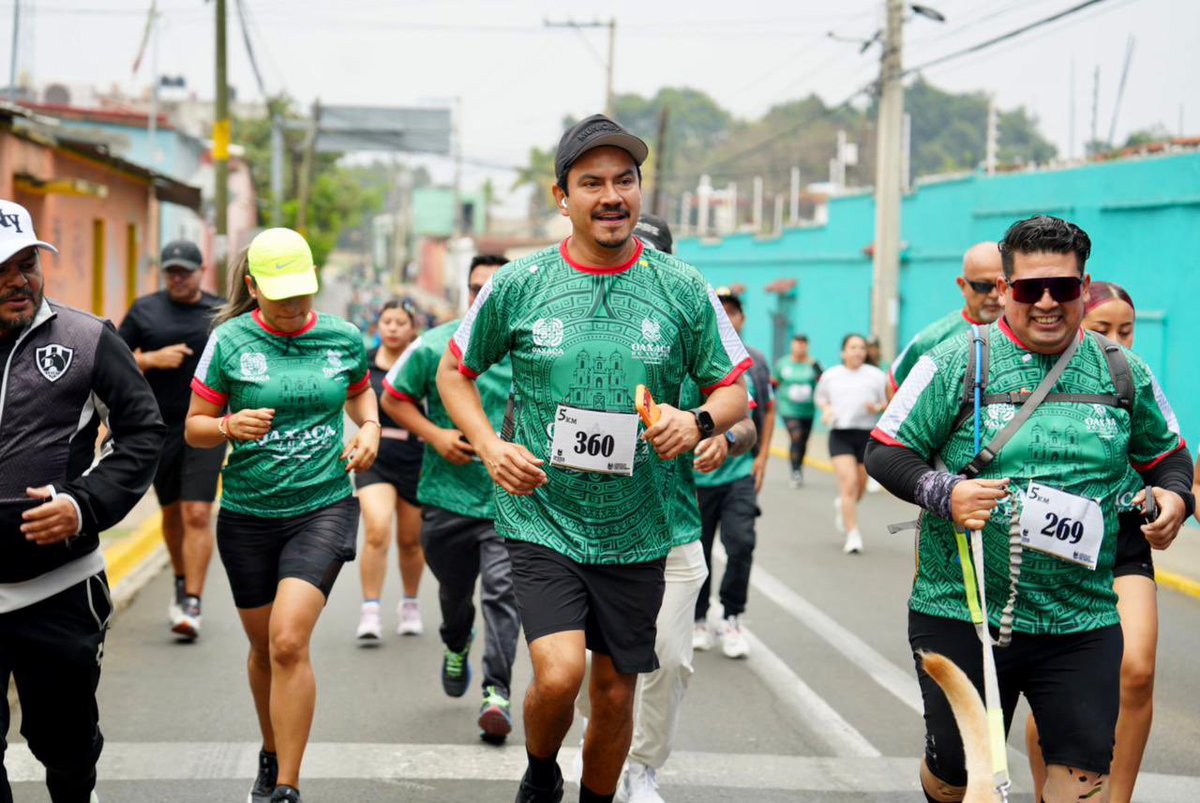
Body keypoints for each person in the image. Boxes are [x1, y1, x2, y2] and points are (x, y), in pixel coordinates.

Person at [436, 114, 750, 803]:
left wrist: (692, 418)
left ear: (639, 191)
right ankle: (542, 768)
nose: (612, 195)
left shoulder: (683, 287)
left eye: (624, 180)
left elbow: (735, 389)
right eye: (592, 183)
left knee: (615, 693)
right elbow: (454, 371)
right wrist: (491, 445)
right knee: (558, 674)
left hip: (640, 526)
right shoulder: (519, 283)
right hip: (542, 515)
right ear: (562, 196)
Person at [865, 216, 1193, 803]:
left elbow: (1170, 456)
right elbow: (886, 450)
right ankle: (946, 769)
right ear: (1004, 290)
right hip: (962, 609)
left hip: (1081, 622)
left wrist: (1175, 497)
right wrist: (945, 493)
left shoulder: (1124, 370)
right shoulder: (956, 361)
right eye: (1028, 288)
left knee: (1080, 789)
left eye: (1063, 289)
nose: (1046, 302)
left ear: (1084, 288)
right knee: (955, 782)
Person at [185, 229, 380, 803]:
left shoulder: (343, 337)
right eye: (281, 297)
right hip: (247, 514)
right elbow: (194, 427)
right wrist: (226, 427)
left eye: (303, 294)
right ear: (252, 287)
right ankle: (270, 753)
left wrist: (367, 427)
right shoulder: (228, 342)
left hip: (323, 505)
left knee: (289, 640)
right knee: (264, 648)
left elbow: (361, 393)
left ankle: (288, 787)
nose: (296, 308)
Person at [583, 215, 756, 803]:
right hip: (582, 525)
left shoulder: (690, 312)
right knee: (593, 664)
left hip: (670, 521)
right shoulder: (577, 315)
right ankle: (599, 748)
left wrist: (718, 436)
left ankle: (641, 766)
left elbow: (745, 414)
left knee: (668, 658)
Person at [0, 199, 165, 803]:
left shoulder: (86, 338)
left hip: (58, 586)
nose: (19, 281)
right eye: (2, 269)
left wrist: (82, 504)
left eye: (27, 264)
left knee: (65, 746)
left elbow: (143, 432)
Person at [380, 254, 521, 743]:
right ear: (468, 290)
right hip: (446, 497)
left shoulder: (530, 348)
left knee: (503, 593)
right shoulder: (437, 343)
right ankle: (456, 640)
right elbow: (393, 396)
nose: (486, 294)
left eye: (495, 287)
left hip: (511, 502)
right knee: (455, 595)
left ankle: (496, 693)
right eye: (478, 286)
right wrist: (436, 437)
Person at [1023, 281, 1155, 803]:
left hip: (1121, 534)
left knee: (1137, 669)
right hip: (1056, 540)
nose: (1118, 339)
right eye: (1104, 329)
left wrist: (1170, 498)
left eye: (1127, 329)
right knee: (1059, 695)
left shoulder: (1132, 378)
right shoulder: (1045, 376)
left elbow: (1167, 456)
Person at [118, 239, 225, 640]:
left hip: (208, 426)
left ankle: (192, 602)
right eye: (171, 272)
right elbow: (111, 356)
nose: (178, 278)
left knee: (197, 512)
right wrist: (150, 359)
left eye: (186, 271)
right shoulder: (145, 309)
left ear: (202, 271)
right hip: (159, 428)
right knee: (172, 514)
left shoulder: (220, 312)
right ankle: (181, 581)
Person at [691, 288, 774, 659]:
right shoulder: (683, 354)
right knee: (700, 551)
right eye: (718, 311)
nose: (726, 317)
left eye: (732, 311)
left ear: (741, 318)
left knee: (741, 543)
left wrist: (748, 451)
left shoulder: (747, 362)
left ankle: (732, 616)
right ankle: (697, 618)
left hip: (736, 472)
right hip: (692, 479)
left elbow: (758, 417)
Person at [354, 298, 426, 641]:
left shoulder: (423, 362)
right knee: (377, 529)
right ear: (377, 327)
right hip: (376, 456)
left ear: (412, 329)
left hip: (416, 457)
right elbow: (348, 399)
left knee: (411, 541)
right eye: (387, 321)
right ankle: (371, 610)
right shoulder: (364, 364)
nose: (393, 327)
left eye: (401, 322)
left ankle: (410, 604)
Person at [888, 241, 1005, 395]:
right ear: (963, 285)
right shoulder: (931, 340)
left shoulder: (1028, 334)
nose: (994, 295)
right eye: (983, 286)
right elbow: (894, 388)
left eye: (1002, 285)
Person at [814, 334, 888, 554]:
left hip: (866, 436)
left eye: (861, 347)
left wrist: (877, 408)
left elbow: (888, 402)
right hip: (840, 435)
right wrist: (827, 411)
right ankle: (853, 534)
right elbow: (821, 398)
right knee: (848, 484)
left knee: (861, 486)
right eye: (853, 347)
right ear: (843, 352)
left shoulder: (876, 376)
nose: (857, 351)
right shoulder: (831, 376)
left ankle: (844, 507)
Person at [773, 335, 822, 487]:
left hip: (808, 410)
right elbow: (774, 383)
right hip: (788, 409)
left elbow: (824, 381)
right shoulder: (783, 364)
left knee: (803, 440)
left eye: (803, 345)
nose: (800, 347)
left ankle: (799, 466)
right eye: (797, 344)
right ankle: (795, 472)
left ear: (807, 347)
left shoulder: (813, 364)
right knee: (796, 436)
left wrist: (817, 368)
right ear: (792, 346)